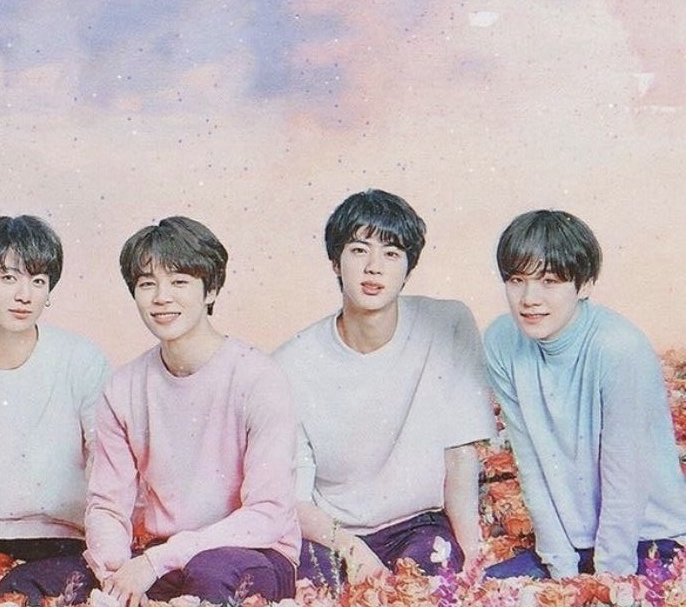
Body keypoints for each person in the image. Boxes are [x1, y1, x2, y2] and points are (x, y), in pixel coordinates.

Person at [85, 216, 300, 607]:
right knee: (57, 585)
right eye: (147, 284)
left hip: (254, 553)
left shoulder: (258, 378)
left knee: (210, 574)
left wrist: (155, 562)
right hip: (163, 556)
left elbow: (268, 513)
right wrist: (116, 577)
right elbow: (107, 506)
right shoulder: (122, 387)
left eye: (179, 281)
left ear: (211, 289)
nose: (161, 298)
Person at [274, 190, 494, 584]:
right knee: (311, 593)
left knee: (430, 583)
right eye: (359, 250)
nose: (374, 267)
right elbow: (294, 499)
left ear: (408, 268)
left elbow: (460, 455)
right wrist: (353, 551)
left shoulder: (447, 325)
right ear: (335, 262)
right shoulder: (289, 364)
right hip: (333, 533)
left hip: (418, 525)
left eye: (391, 254)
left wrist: (473, 554)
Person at [483, 210, 686, 579]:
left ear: (586, 285)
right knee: (488, 588)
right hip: (573, 542)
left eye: (548, 281)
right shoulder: (501, 340)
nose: (529, 298)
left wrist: (607, 581)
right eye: (516, 280)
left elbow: (625, 474)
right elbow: (530, 460)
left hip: (647, 535)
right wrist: (559, 565)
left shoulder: (619, 347)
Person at [0, 215, 110, 604]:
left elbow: (110, 462)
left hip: (59, 541)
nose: (25, 295)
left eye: (38, 281)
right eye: (8, 278)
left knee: (24, 605)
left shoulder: (79, 359)